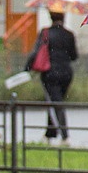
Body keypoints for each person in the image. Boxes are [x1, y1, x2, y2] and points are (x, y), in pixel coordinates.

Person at [24, 12, 77, 142]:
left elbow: (36, 52)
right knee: (55, 102)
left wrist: (27, 68)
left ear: (50, 17)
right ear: (64, 18)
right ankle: (50, 134)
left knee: (56, 103)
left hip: (50, 74)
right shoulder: (69, 34)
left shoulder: (45, 33)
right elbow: (74, 55)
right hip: (67, 73)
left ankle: (65, 137)